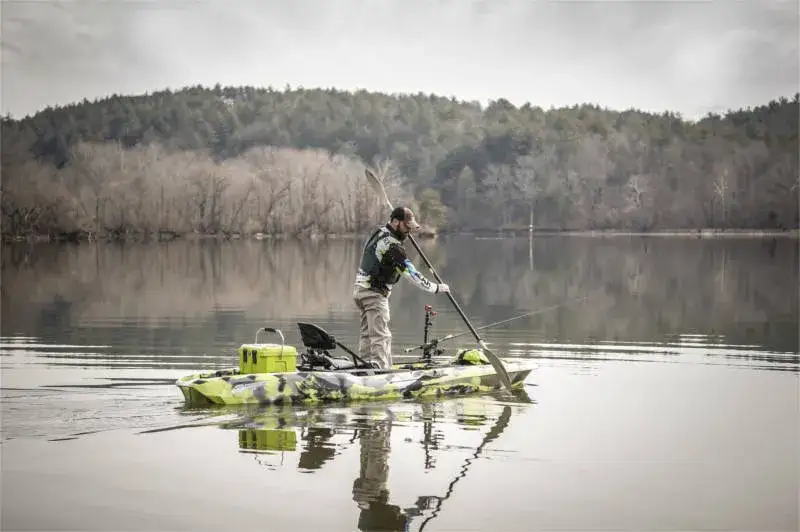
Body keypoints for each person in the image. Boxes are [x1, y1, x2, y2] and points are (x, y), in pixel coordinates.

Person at [353, 206, 450, 369]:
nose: (408, 232)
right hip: (374, 295)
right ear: (395, 222)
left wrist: (399, 228)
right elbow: (412, 275)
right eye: (406, 227)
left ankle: (364, 366)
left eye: (411, 228)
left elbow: (391, 232)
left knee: (367, 334)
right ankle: (379, 369)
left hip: (360, 291)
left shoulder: (378, 232)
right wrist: (435, 288)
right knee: (381, 336)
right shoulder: (393, 247)